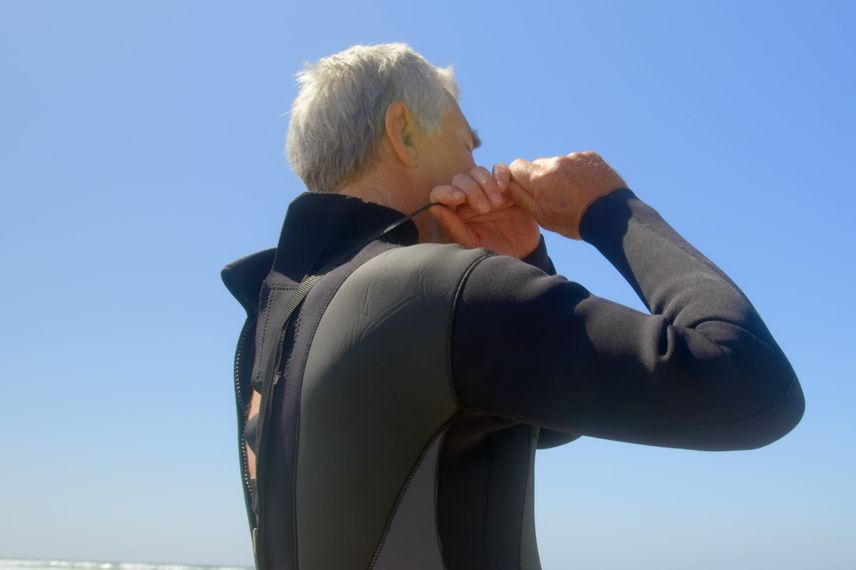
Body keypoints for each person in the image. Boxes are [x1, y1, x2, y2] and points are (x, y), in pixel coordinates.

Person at [221, 43, 805, 570]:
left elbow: (544, 426)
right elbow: (750, 386)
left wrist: (524, 261)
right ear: (403, 132)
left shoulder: (272, 319)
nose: (481, 163)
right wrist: (609, 209)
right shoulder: (433, 289)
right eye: (468, 142)